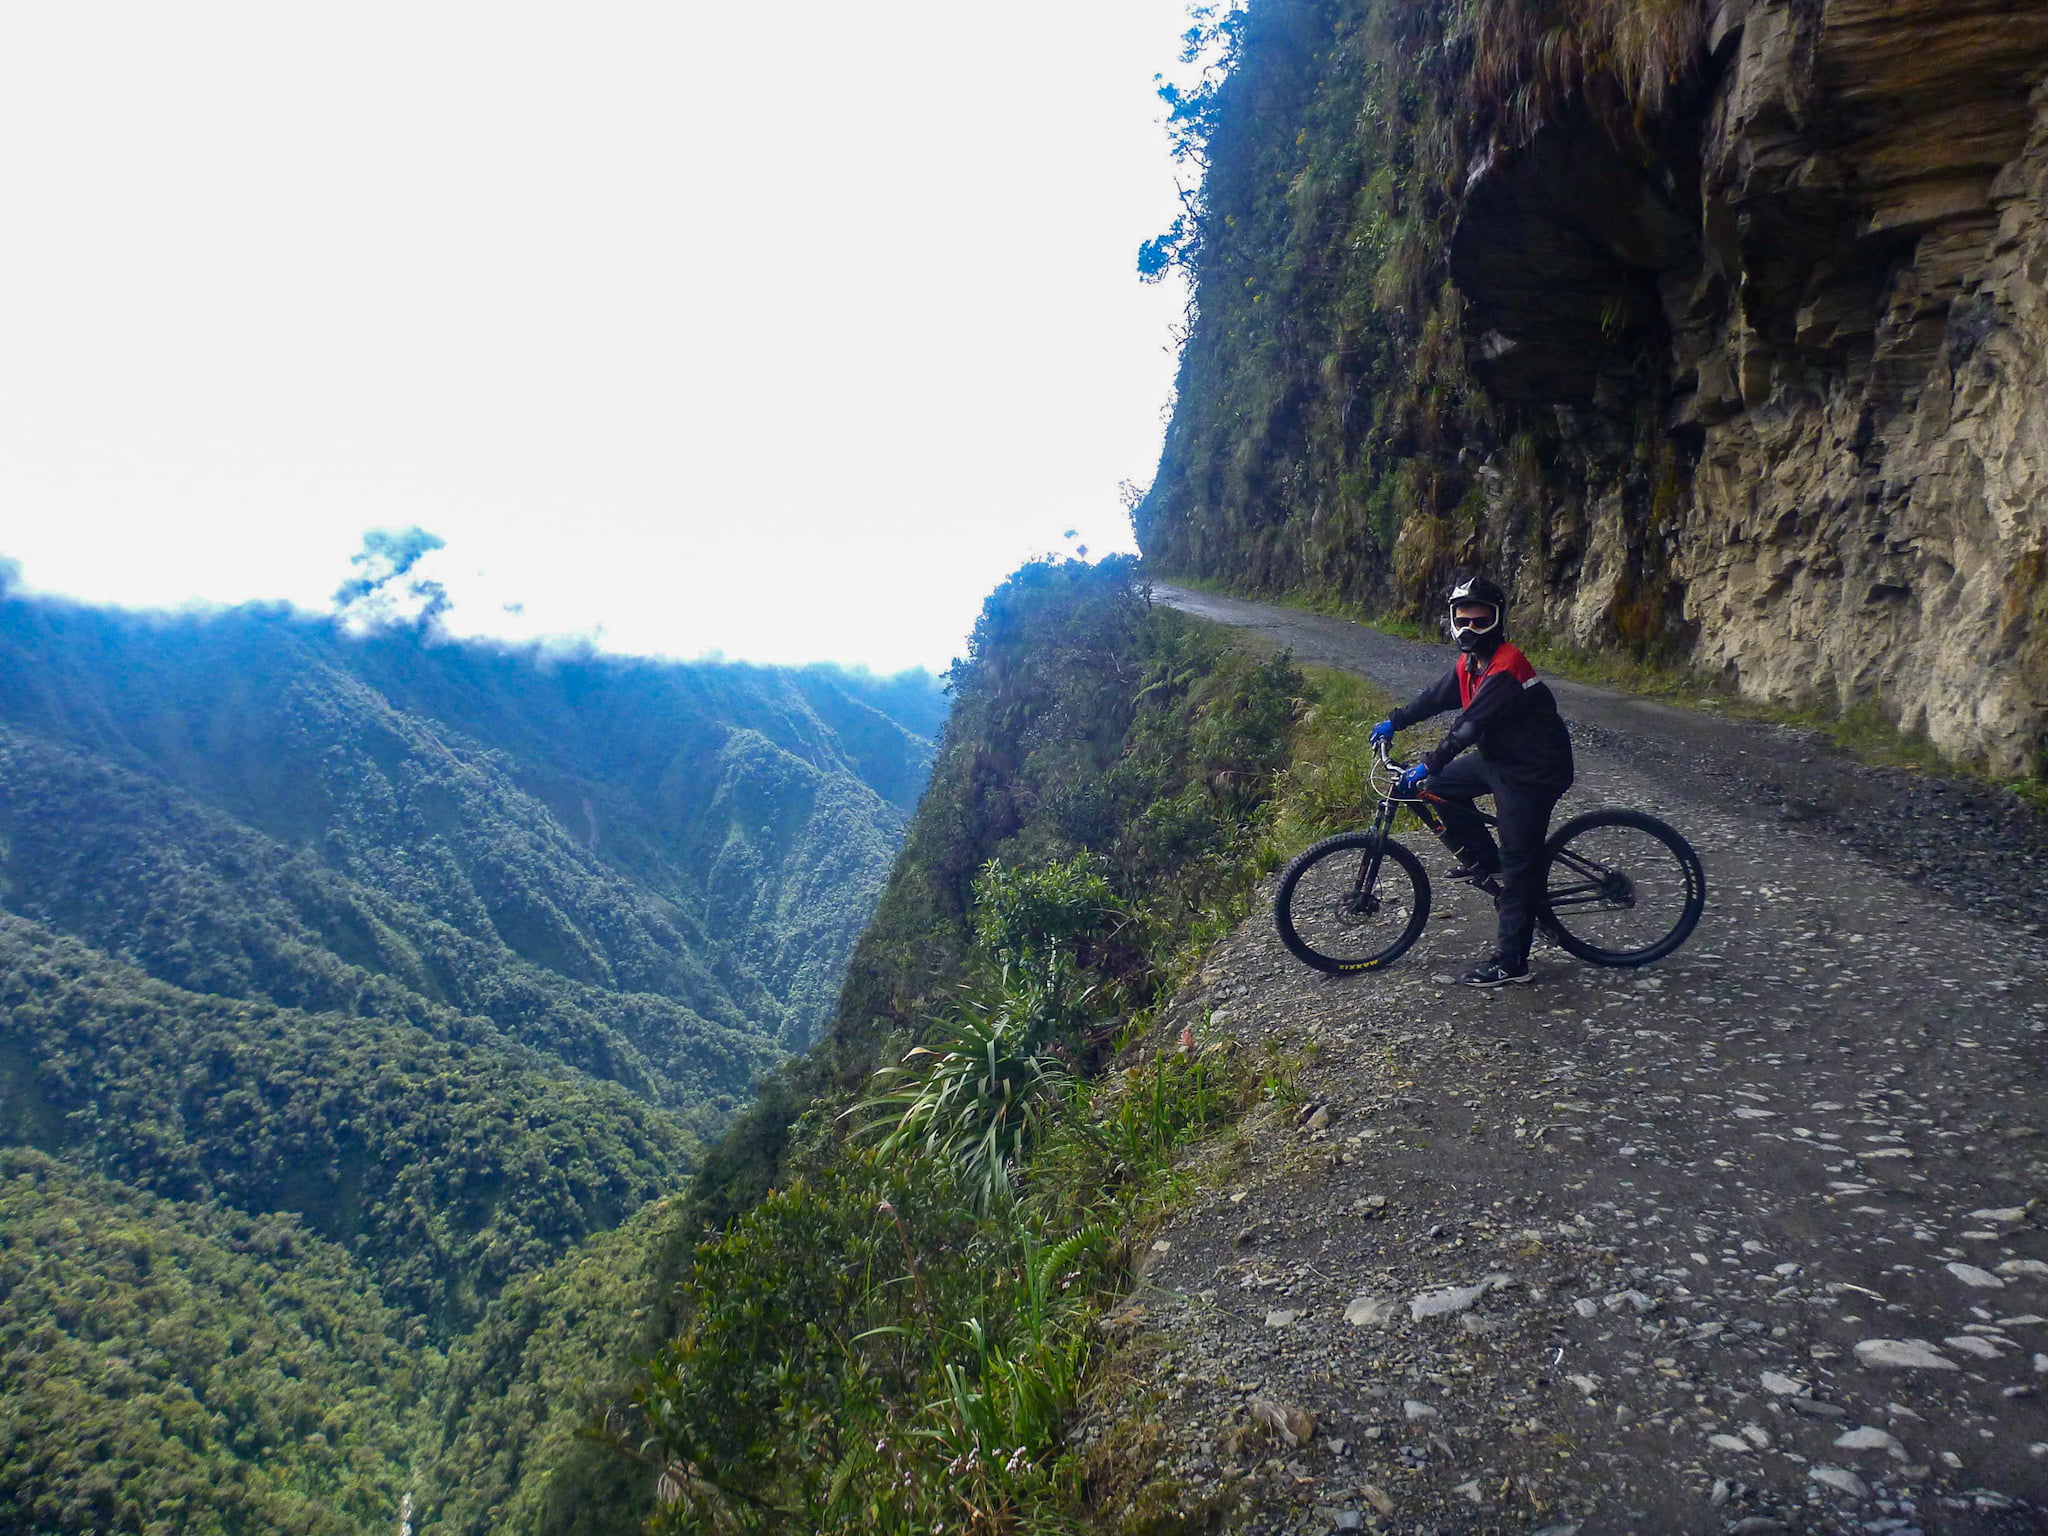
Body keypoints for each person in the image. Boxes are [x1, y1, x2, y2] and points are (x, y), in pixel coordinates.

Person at [1367, 576, 1575, 987]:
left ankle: (1512, 962)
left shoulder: (1506, 666)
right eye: (1461, 621)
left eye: (1480, 622)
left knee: (1521, 863)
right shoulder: (1470, 662)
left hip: (1533, 771)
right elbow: (1434, 697)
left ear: (1498, 621)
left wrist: (1426, 763)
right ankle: (1485, 860)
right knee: (1439, 789)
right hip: (1499, 759)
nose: (1468, 630)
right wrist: (1395, 720)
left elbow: (1468, 727)